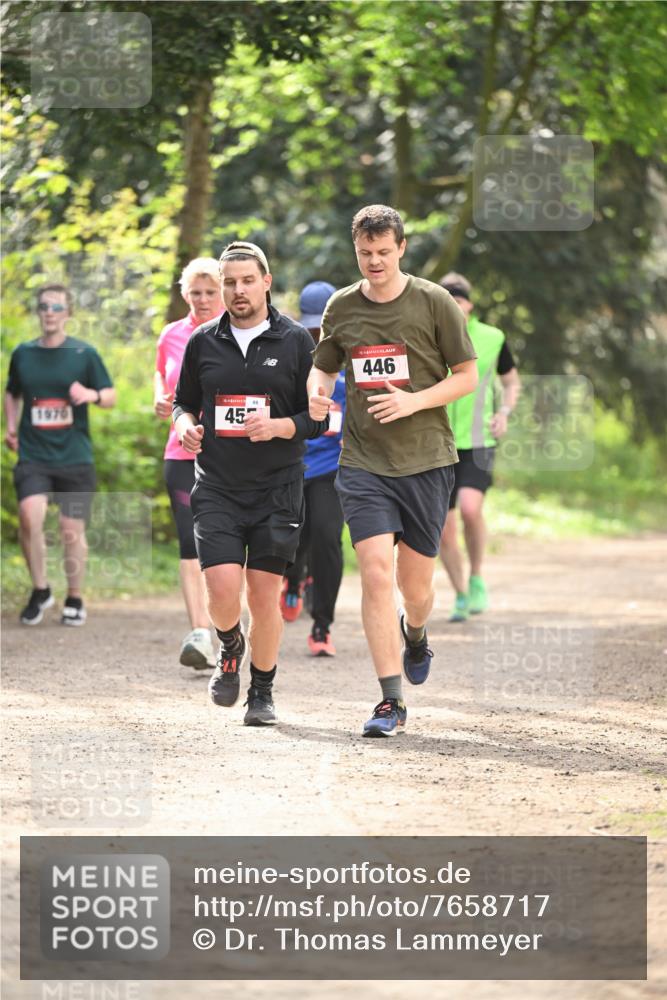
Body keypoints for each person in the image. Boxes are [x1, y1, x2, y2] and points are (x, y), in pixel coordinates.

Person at [308, 205, 478, 737]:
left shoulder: (434, 301)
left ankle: (417, 633)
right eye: (365, 253)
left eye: (384, 252)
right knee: (376, 571)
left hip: (426, 460)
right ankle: (390, 700)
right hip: (363, 461)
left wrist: (413, 402)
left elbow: (467, 376)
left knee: (415, 589)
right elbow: (324, 365)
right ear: (355, 251)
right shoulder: (341, 306)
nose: (375, 261)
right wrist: (316, 393)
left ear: (401, 248)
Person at [172, 241, 327, 726]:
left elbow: (318, 419)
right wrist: (185, 426)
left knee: (263, 595)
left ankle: (261, 691)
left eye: (247, 281)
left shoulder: (296, 341)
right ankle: (230, 644)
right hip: (218, 485)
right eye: (230, 283)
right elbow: (183, 403)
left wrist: (280, 426)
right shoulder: (203, 341)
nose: (238, 290)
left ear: (266, 282)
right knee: (222, 590)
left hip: (277, 488)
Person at [4, 284, 116, 625]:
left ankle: (75, 597)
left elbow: (110, 396)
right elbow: (12, 393)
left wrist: (91, 395)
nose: (50, 313)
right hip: (34, 455)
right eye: (44, 306)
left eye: (57, 307)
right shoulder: (23, 353)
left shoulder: (84, 353)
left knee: (71, 528)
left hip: (75, 458)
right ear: (38, 312)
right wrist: (11, 427)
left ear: (68, 313)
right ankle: (41, 590)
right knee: (29, 515)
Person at [438, 273, 520, 622]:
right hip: (436, 444)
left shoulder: (493, 337)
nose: (453, 307)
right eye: (446, 301)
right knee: (443, 528)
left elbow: (511, 382)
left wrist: (504, 412)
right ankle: (459, 593)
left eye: (457, 300)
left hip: (478, 441)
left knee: (470, 510)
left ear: (469, 304)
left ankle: (476, 577)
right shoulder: (427, 335)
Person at [154, 257, 224, 668]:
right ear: (184, 294)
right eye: (195, 292)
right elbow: (161, 377)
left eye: (210, 292)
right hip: (181, 454)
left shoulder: (234, 334)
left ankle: (226, 630)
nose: (202, 299)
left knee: (224, 543)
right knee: (189, 540)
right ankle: (200, 634)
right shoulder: (171, 335)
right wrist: (161, 401)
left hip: (228, 456)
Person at [280, 281, 345, 657]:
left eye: (323, 329)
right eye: (311, 328)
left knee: (326, 535)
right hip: (291, 464)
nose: (317, 336)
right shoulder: (289, 358)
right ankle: (293, 581)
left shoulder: (352, 361)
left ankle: (322, 626)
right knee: (293, 537)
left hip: (330, 468)